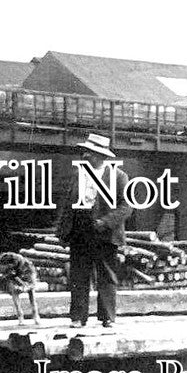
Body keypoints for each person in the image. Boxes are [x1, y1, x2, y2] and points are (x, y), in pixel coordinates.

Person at [55, 133, 132, 328]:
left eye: (89, 152)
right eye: (85, 152)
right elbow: (67, 205)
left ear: (100, 155)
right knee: (79, 275)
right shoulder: (77, 175)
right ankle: (78, 317)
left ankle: (107, 317)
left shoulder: (119, 176)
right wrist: (63, 232)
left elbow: (127, 207)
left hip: (105, 233)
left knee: (106, 275)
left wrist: (105, 222)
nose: (84, 155)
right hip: (80, 231)